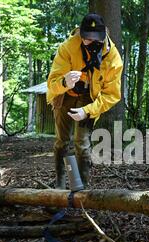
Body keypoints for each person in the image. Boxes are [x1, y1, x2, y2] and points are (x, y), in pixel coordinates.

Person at [46, 13, 123, 189]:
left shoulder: (113, 58)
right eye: (87, 39)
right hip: (64, 97)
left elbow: (112, 95)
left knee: (81, 143)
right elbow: (52, 84)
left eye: (97, 39)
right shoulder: (67, 47)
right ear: (81, 35)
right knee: (62, 142)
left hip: (89, 101)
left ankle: (80, 187)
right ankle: (60, 185)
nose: (92, 42)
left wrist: (87, 111)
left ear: (104, 35)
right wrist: (65, 82)